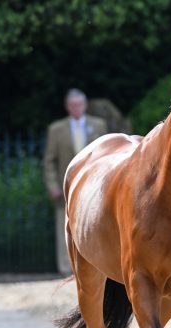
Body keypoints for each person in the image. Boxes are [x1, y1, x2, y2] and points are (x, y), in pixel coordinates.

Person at [42, 89, 108, 276]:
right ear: (67, 107)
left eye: (79, 104)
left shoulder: (99, 125)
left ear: (85, 105)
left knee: (94, 225)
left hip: (94, 186)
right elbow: (49, 161)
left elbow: (107, 154)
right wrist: (53, 186)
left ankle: (96, 266)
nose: (76, 108)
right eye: (73, 105)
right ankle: (67, 269)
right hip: (67, 187)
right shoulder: (56, 129)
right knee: (64, 227)